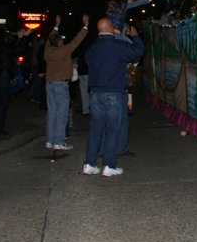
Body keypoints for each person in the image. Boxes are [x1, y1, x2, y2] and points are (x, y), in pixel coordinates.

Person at [83, 18, 144, 177]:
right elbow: (138, 51)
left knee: (96, 129)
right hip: (113, 93)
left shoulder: (93, 47)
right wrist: (135, 36)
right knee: (113, 129)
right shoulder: (119, 46)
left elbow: (88, 61)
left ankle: (89, 163)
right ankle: (109, 165)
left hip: (95, 93)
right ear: (111, 29)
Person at [44, 14, 88, 150]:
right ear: (59, 43)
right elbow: (77, 41)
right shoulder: (63, 51)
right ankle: (59, 142)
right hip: (61, 84)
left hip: (49, 83)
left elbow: (49, 39)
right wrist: (85, 26)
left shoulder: (47, 50)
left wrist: (56, 26)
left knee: (51, 112)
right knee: (62, 113)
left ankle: (49, 140)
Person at [0, 28, 30, 135]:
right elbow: (18, 48)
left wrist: (20, 38)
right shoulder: (4, 47)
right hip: (3, 77)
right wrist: (24, 37)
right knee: (3, 103)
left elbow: (14, 48)